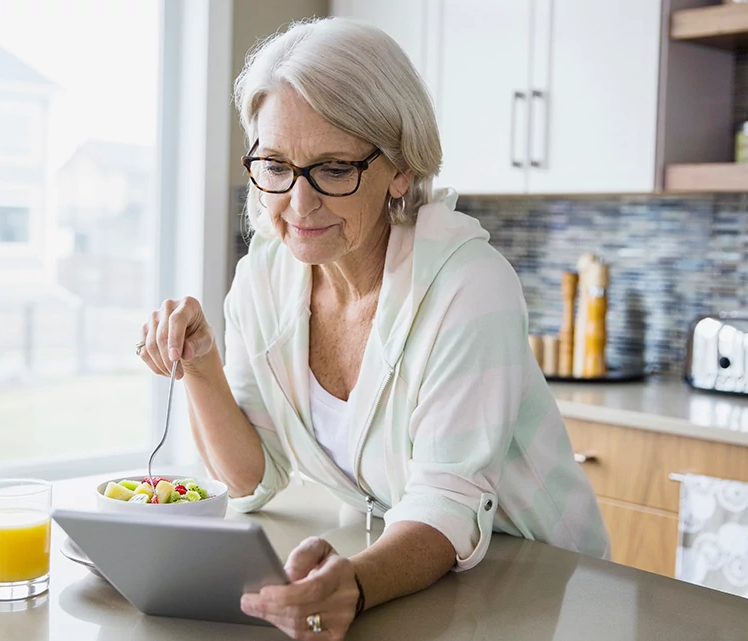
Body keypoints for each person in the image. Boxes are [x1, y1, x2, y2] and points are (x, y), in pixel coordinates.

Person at [136, 17, 608, 640]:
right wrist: (201, 369)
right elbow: (251, 476)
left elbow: (449, 501)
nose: (298, 205)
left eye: (333, 169)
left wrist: (351, 584)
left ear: (402, 169)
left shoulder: (469, 286)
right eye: (275, 165)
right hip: (417, 579)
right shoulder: (264, 278)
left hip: (539, 582)